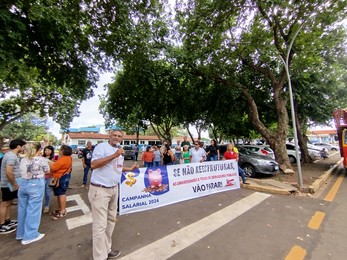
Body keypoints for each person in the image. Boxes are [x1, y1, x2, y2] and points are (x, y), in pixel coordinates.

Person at [88, 130, 138, 260]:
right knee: (100, 225)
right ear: (109, 136)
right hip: (100, 190)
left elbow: (117, 168)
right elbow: (93, 165)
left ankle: (106, 249)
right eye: (114, 135)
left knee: (111, 221)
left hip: (114, 189)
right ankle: (99, 257)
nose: (117, 137)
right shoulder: (102, 147)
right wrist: (114, 155)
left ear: (122, 138)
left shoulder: (119, 150)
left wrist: (129, 169)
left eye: (119, 136)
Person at [16, 142, 49, 245]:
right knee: (34, 210)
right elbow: (47, 171)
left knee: (22, 209)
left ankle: (21, 233)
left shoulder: (23, 159)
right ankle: (30, 235)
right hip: (36, 185)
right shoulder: (41, 160)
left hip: (23, 184)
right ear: (39, 150)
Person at [0, 139, 26, 234]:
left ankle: (7, 221)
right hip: (8, 184)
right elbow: (9, 172)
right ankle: (1, 225)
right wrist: (14, 183)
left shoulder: (12, 155)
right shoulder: (11, 156)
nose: (23, 149)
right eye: (22, 146)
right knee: (5, 203)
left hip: (10, 183)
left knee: (9, 202)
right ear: (18, 146)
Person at [49, 145, 73, 220]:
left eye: (60, 149)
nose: (59, 151)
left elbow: (53, 168)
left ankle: (62, 210)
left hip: (61, 178)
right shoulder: (69, 158)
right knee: (59, 193)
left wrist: (48, 162)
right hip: (63, 177)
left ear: (63, 151)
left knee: (61, 193)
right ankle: (60, 208)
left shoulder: (63, 159)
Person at [42, 145, 57, 213]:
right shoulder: (41, 158)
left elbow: (55, 167)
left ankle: (46, 205)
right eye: (45, 150)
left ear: (51, 151)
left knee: (47, 192)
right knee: (41, 193)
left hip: (49, 177)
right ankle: (41, 206)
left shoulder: (54, 158)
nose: (46, 151)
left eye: (48, 150)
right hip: (41, 177)